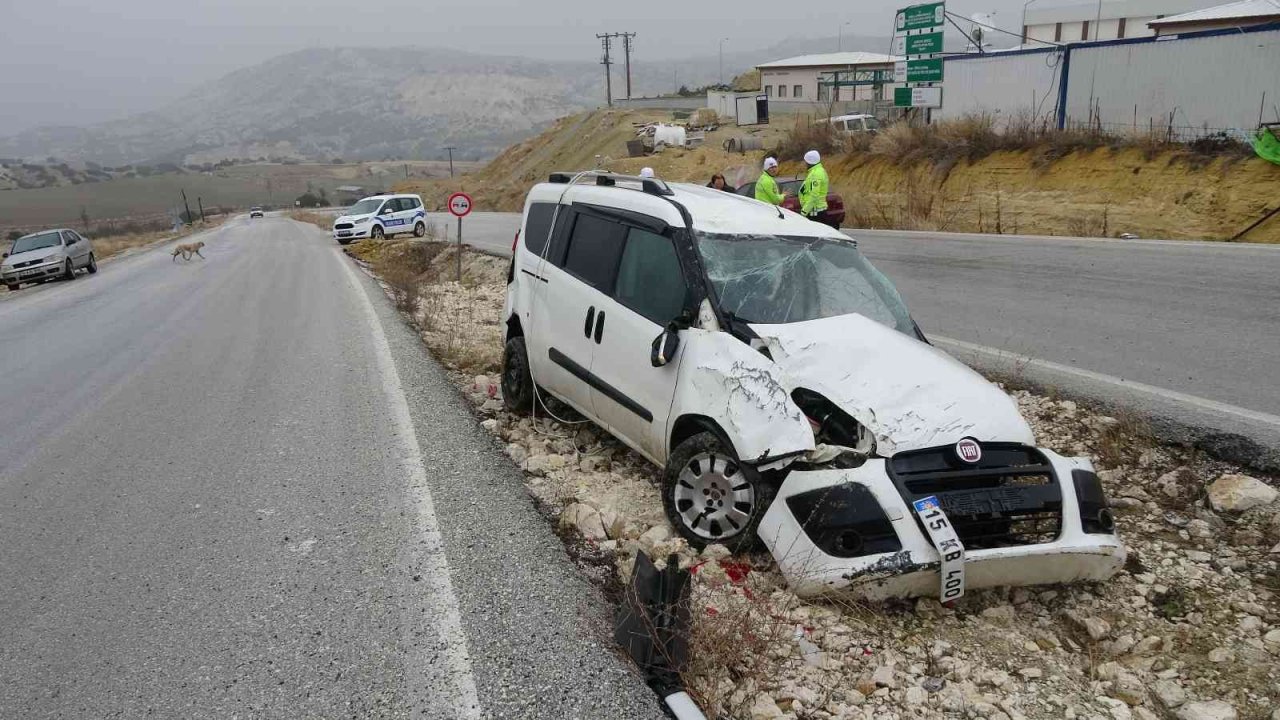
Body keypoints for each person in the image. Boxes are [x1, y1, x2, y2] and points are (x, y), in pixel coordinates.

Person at [799, 150, 829, 221]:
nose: (805, 163)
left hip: (816, 212)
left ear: (810, 162)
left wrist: (804, 211)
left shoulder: (816, 174)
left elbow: (814, 195)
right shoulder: (816, 171)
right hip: (814, 210)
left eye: (806, 161)